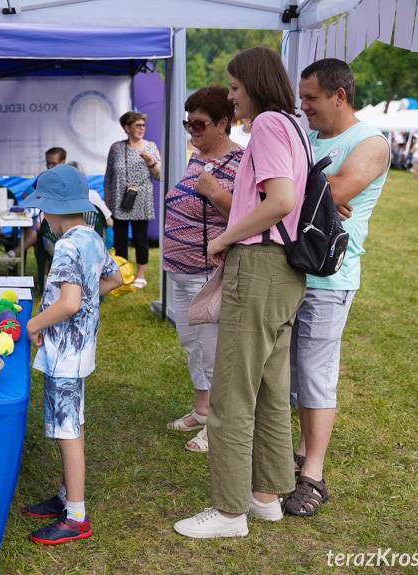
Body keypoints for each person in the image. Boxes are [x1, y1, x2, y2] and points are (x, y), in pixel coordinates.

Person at [173, 46, 309, 539]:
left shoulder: (271, 125)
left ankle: (230, 512)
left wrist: (227, 237)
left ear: (254, 83)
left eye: (234, 87)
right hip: (286, 273)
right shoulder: (293, 125)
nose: (231, 98)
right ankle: (267, 496)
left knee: (231, 392)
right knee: (272, 389)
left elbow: (282, 200)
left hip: (260, 266)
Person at [285, 58, 391, 517]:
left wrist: (316, 191)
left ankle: (313, 476)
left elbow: (340, 190)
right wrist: (317, 190)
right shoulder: (307, 136)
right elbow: (288, 188)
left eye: (310, 98)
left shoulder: (370, 143)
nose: (303, 106)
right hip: (289, 268)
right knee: (290, 374)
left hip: (329, 278)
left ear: (339, 96)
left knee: (315, 375)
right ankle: (295, 456)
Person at [20, 164, 123, 544]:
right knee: (73, 422)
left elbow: (68, 302)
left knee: (66, 430)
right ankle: (66, 495)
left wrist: (35, 324)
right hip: (80, 349)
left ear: (49, 208)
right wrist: (88, 299)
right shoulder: (92, 237)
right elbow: (115, 278)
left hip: (64, 353)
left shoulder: (65, 245)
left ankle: (76, 514)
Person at [163, 85, 244, 454]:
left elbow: (249, 217)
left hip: (206, 274)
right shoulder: (198, 157)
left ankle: (218, 427)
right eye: (187, 123)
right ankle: (201, 409)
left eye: (199, 123)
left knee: (212, 352)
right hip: (181, 271)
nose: (191, 130)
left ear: (223, 123)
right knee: (191, 345)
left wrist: (215, 193)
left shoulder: (240, 162)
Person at [104, 111, 161, 290]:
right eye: (138, 125)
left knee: (140, 239)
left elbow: (160, 175)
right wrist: (107, 200)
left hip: (141, 198)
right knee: (120, 240)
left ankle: (140, 275)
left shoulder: (150, 146)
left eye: (143, 125)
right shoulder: (116, 148)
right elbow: (108, 175)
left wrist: (150, 161)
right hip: (119, 199)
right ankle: (122, 274)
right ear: (127, 128)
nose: (142, 129)